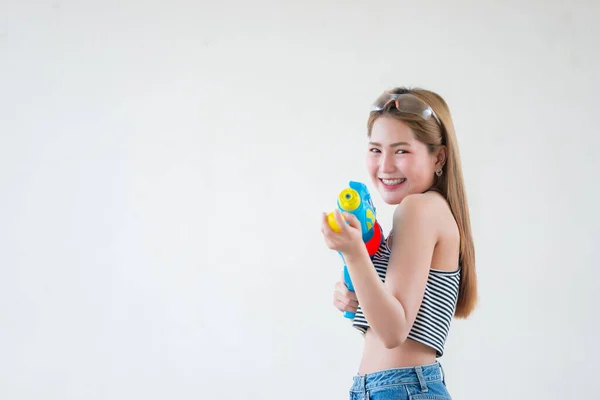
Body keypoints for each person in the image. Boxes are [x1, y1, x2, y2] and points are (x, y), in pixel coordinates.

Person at [321, 87, 477, 400]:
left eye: (401, 151)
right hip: (388, 389)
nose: (385, 165)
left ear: (438, 157)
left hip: (399, 389)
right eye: (375, 149)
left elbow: (393, 332)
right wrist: (353, 295)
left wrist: (353, 254)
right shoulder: (422, 213)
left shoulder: (419, 209)